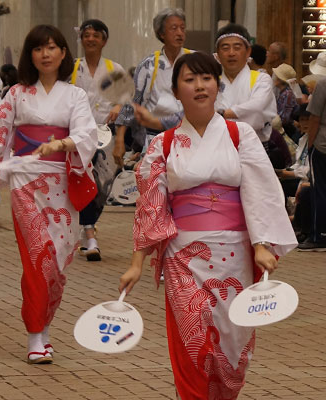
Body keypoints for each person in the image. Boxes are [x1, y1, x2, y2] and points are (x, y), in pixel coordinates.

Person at [119, 52, 297, 399]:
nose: (199, 86)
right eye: (189, 79)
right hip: (183, 256)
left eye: (206, 78)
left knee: (232, 349)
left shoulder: (239, 135)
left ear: (217, 85)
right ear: (175, 90)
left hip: (235, 254)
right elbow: (151, 206)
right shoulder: (163, 144)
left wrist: (261, 243)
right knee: (192, 346)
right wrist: (136, 263)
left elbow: (260, 189)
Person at [0, 24, 97, 364]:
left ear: (62, 53)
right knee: (37, 258)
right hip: (26, 181)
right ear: (30, 55)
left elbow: (87, 133)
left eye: (52, 47)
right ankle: (34, 334)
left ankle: (45, 327)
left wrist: (63, 142)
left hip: (61, 183)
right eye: (38, 48)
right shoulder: (16, 94)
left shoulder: (75, 96)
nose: (45, 54)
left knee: (57, 262)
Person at [70, 19, 124, 261]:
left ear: (104, 40)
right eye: (86, 35)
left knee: (104, 185)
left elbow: (126, 101)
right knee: (84, 181)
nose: (90, 39)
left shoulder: (114, 68)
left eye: (96, 35)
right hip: (78, 136)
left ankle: (88, 224)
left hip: (106, 136)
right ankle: (89, 233)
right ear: (81, 39)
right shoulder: (70, 68)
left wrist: (119, 108)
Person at [114, 8, 190, 168]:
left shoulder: (194, 60)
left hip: (188, 134)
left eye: (182, 28)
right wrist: (120, 140)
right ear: (161, 33)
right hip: (154, 137)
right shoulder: (148, 65)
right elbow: (131, 103)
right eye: (173, 28)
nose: (179, 33)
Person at [214, 24, 278, 153]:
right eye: (225, 48)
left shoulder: (261, 79)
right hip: (219, 145)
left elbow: (256, 107)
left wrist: (223, 114)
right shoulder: (212, 81)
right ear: (218, 54)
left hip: (254, 145)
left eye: (237, 47)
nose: (231, 53)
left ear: (248, 52)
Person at [300, 75, 326, 251]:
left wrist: (310, 145)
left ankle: (319, 236)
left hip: (323, 145)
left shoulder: (323, 84)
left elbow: (315, 118)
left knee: (321, 191)